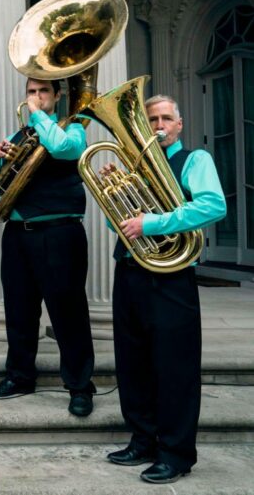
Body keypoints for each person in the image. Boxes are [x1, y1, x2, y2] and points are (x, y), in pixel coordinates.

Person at [102, 95, 226, 484]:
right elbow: (118, 225)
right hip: (131, 271)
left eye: (165, 118)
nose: (158, 125)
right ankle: (143, 440)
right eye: (151, 118)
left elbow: (213, 205)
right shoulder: (134, 165)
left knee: (175, 367)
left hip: (171, 276)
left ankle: (176, 453)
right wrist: (116, 198)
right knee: (132, 362)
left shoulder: (195, 160)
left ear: (179, 124)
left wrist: (150, 224)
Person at [0, 78, 96, 418]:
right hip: (18, 233)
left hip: (59, 233)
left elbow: (62, 149)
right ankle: (20, 376)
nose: (35, 98)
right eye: (31, 92)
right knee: (19, 311)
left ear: (58, 96)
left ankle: (79, 386)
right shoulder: (20, 136)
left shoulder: (74, 128)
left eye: (43, 91)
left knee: (68, 313)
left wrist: (38, 117)